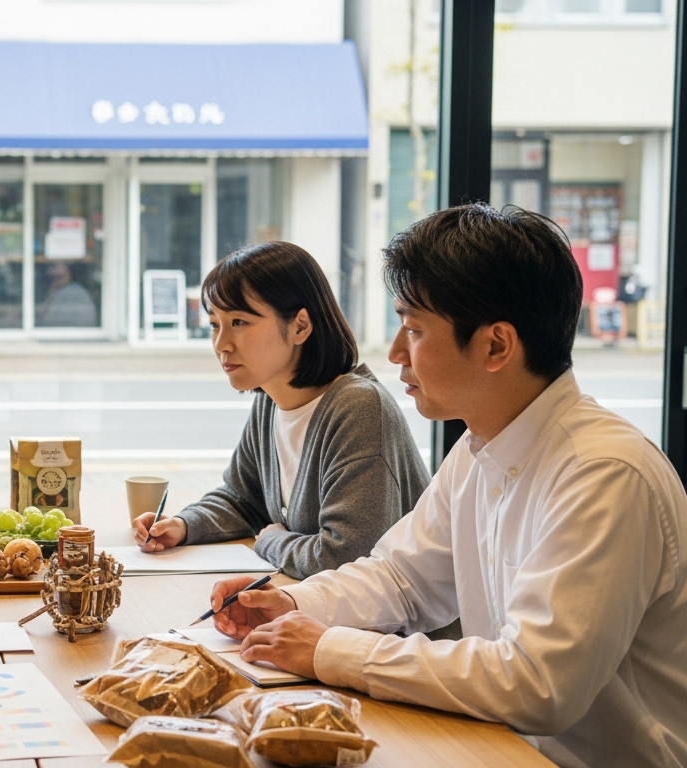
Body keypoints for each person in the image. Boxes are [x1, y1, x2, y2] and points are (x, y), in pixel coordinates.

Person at [213, 204, 687, 768]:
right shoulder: (480, 446)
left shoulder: (603, 472)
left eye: (413, 329)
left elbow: (537, 685)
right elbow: (403, 578)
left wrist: (330, 648)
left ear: (495, 346)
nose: (394, 353)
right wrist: (290, 601)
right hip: (499, 746)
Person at [133, 241, 428, 579]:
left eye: (240, 322)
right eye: (215, 324)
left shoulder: (358, 408)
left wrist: (272, 542)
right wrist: (184, 524)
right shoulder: (269, 401)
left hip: (394, 632)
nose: (221, 344)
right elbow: (244, 499)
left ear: (300, 326)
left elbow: (344, 558)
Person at [35, 261, 97, 327]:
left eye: (54, 266)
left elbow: (49, 324)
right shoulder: (62, 291)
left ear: (67, 269)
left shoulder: (73, 293)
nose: (49, 271)